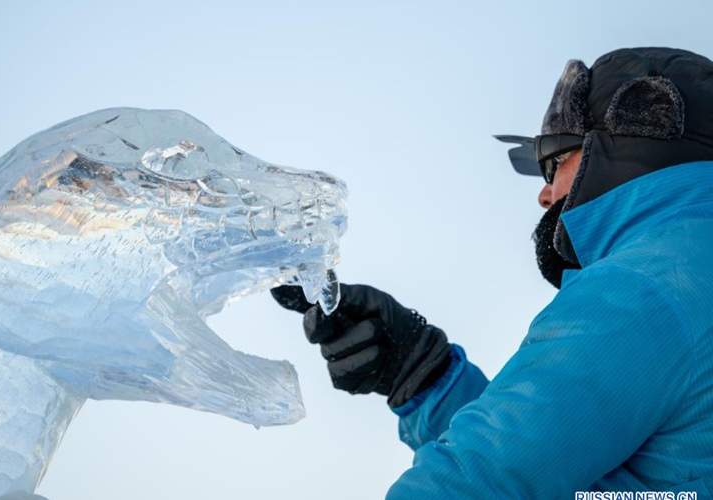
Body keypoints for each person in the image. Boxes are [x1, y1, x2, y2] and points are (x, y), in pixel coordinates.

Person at [271, 47, 713, 498]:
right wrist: (423, 372)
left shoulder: (643, 290)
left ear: (629, 143)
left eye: (555, 160)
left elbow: (474, 482)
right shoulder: (691, 277)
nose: (544, 194)